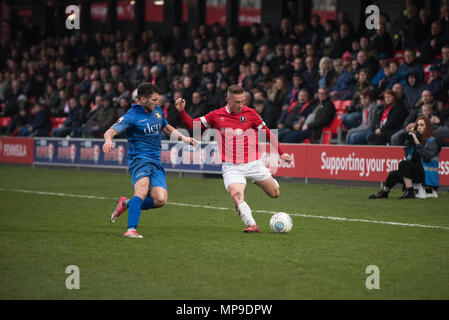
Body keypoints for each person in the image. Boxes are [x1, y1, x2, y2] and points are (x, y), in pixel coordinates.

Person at [175, 84, 292, 233]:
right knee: (236, 194)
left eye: (243, 101)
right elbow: (193, 125)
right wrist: (181, 112)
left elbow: (268, 133)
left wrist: (281, 153)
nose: (241, 105)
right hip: (232, 167)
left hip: (253, 164)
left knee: (275, 193)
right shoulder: (216, 115)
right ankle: (252, 225)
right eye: (237, 101)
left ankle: (267, 182)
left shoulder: (251, 114)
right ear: (228, 100)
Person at [102, 83, 196, 238]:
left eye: (157, 99)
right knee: (142, 191)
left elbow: (166, 127)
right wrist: (108, 140)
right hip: (139, 160)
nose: (156, 103)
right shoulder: (131, 116)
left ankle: (125, 203)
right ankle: (131, 230)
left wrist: (184, 138)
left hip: (155, 161)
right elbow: (110, 131)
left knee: (160, 199)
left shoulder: (157, 111)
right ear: (143, 99)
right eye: (153, 100)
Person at [369, 116, 441, 199]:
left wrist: (417, 143)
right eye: (418, 125)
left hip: (426, 175)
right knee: (393, 174)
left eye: (422, 125)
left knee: (403, 164)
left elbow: (426, 157)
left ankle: (409, 192)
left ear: (427, 127)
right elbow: (408, 157)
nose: (419, 127)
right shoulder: (415, 139)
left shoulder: (432, 142)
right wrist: (409, 142)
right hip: (415, 172)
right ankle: (384, 192)